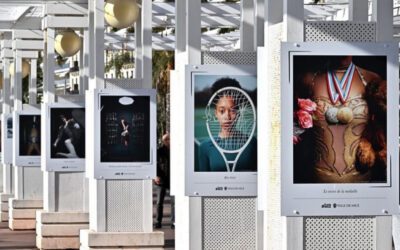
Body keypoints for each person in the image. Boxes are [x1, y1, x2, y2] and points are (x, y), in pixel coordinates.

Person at [294, 56, 387, 183]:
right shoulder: (308, 80)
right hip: (315, 182)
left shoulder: (372, 80)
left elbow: (382, 132)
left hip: (362, 182)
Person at [198, 78, 257, 172]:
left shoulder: (252, 143)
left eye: (233, 110)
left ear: (239, 113)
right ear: (216, 113)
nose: (227, 117)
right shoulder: (204, 147)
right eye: (222, 111)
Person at [154, 133, 175, 229]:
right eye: (166, 140)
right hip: (161, 180)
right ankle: (158, 221)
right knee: (159, 202)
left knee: (174, 202)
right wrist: (155, 176)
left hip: (173, 179)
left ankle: (174, 222)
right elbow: (154, 165)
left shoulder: (176, 150)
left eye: (169, 139)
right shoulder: (159, 151)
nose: (168, 141)